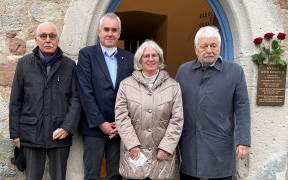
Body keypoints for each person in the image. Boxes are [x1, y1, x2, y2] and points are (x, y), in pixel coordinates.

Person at [176, 26, 251, 180]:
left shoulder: (235, 72)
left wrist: (243, 141)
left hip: (220, 148)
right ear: (196, 49)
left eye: (213, 46)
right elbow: (173, 106)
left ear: (220, 47)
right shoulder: (183, 71)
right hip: (190, 148)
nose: (209, 50)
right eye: (204, 46)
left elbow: (242, 107)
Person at [9, 22, 81, 180]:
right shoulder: (24, 64)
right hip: (31, 133)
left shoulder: (69, 66)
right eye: (43, 36)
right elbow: (16, 100)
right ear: (36, 39)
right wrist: (15, 134)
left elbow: (76, 99)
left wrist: (67, 127)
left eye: (52, 36)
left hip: (59, 133)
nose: (48, 40)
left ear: (57, 40)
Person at [76, 13, 134, 180]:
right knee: (92, 173)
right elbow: (85, 91)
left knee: (115, 175)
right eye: (106, 29)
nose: (110, 33)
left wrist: (121, 124)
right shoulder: (87, 55)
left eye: (114, 30)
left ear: (119, 33)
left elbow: (132, 94)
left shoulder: (129, 58)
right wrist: (101, 123)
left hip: (119, 129)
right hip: (94, 127)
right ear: (98, 31)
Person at [115, 40, 183, 180]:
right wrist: (132, 145)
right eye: (146, 56)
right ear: (140, 60)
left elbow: (177, 120)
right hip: (135, 155)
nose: (150, 59)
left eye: (154, 55)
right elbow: (121, 117)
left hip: (162, 156)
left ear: (160, 58)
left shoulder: (173, 86)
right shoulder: (126, 85)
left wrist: (166, 147)